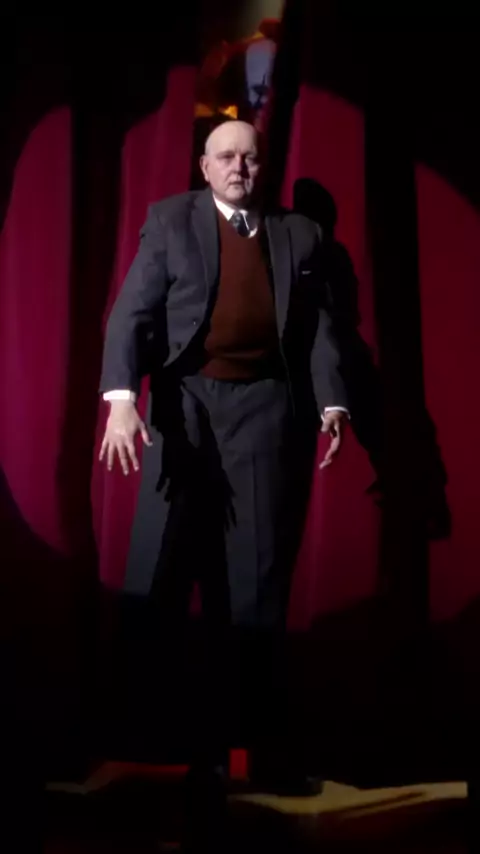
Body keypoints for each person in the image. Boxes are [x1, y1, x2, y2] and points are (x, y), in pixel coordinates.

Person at [98, 119, 348, 847]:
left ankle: (257, 749)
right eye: (226, 157)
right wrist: (121, 400)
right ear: (204, 167)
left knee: (254, 589)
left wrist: (333, 403)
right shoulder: (171, 221)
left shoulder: (300, 235)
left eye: (251, 157)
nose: (240, 167)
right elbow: (131, 312)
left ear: (263, 167)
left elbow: (320, 330)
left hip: (264, 413)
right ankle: (169, 754)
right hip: (186, 410)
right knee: (163, 579)